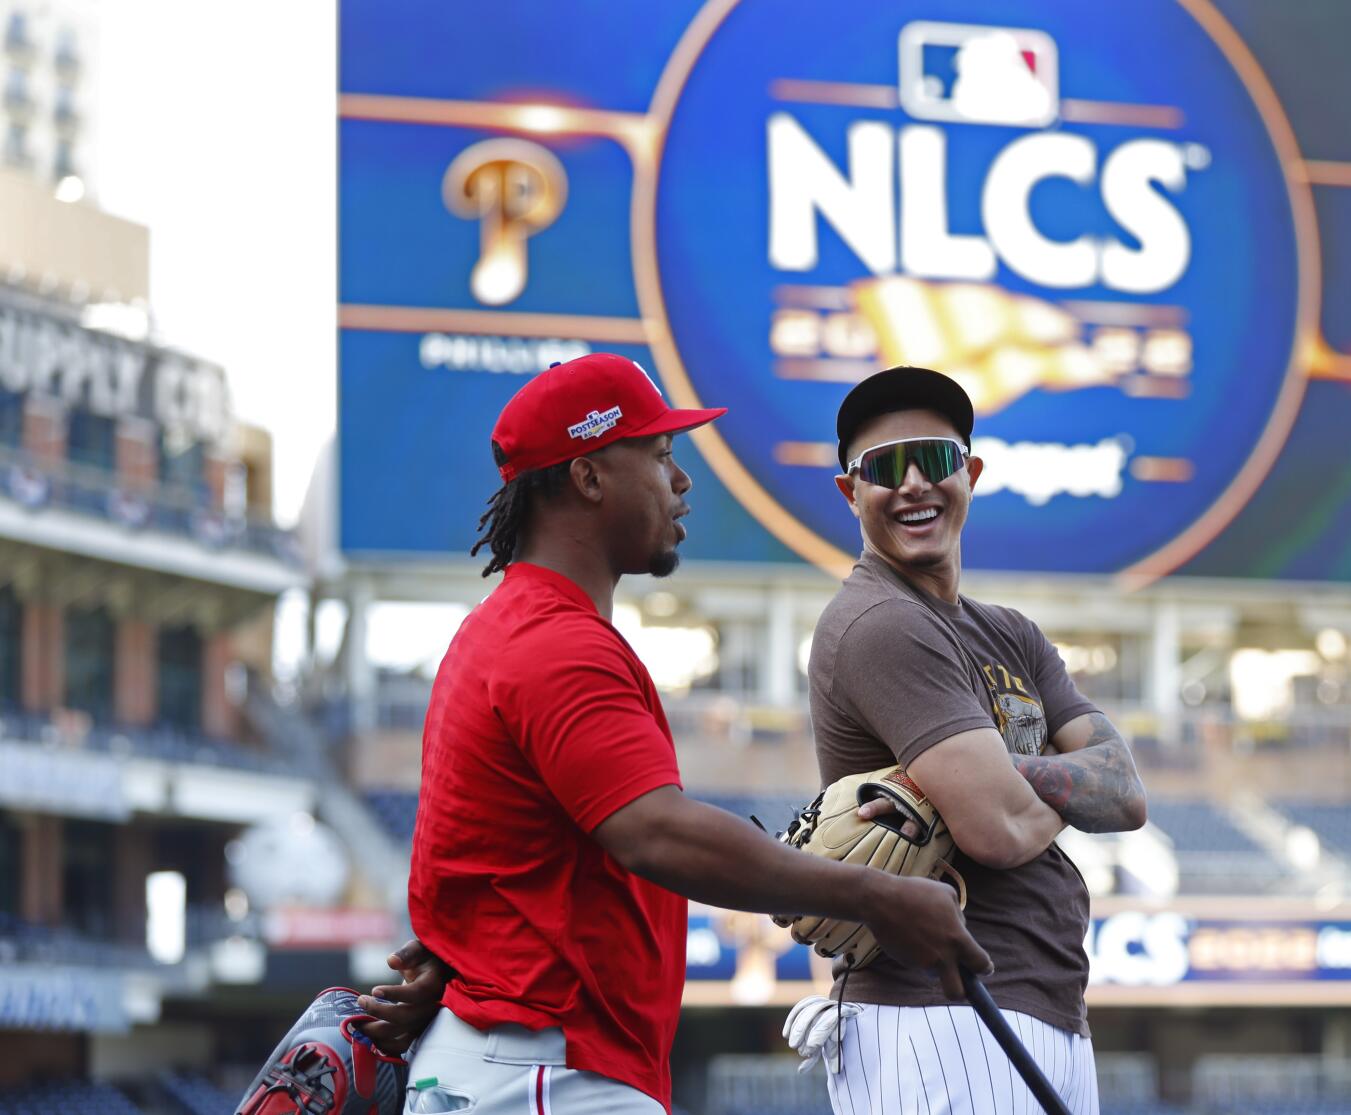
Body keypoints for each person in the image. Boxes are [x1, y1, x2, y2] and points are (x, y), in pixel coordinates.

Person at [356, 353, 989, 1115]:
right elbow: (656, 832)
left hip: (526, 1057)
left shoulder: (508, 627)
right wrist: (877, 895)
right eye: (659, 455)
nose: (681, 480)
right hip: (546, 1066)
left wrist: (457, 966)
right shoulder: (554, 643)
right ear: (589, 477)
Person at [790, 366, 1148, 1115]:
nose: (914, 483)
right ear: (850, 493)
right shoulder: (880, 623)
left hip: (1027, 1010)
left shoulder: (1011, 631)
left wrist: (998, 770)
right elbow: (999, 826)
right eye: (884, 468)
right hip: (943, 1016)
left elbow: (1126, 791)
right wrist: (1037, 775)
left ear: (971, 473)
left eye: (938, 459)